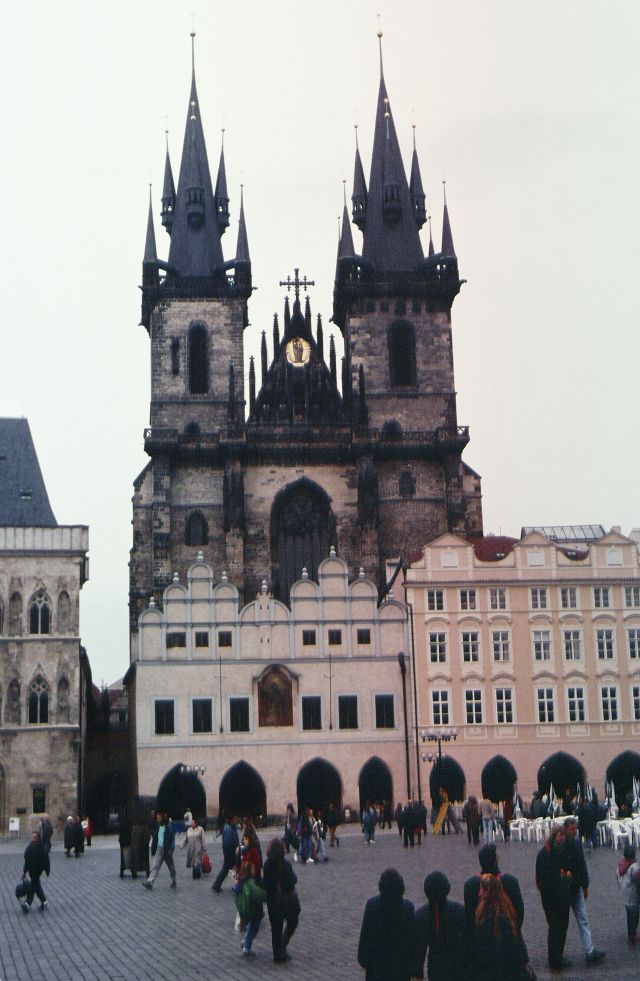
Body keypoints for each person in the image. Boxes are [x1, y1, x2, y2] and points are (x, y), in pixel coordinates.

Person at [464, 843, 535, 978]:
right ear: (495, 860)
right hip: (509, 944)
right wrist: (513, 930)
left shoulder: (471, 884)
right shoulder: (510, 881)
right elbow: (519, 912)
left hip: (481, 947)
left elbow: (469, 918)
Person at [473, 872, 534, 979]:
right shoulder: (506, 910)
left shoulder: (495, 917)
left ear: (488, 892)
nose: (480, 892)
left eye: (482, 889)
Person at [358, 867, 415, 981]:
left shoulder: (372, 906)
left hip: (376, 970)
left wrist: (367, 963)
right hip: (400, 970)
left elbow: (364, 941)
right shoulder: (408, 907)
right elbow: (412, 943)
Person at [562, 816, 605, 963]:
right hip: (566, 888)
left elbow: (581, 866)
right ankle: (562, 953)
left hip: (574, 887)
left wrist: (585, 885)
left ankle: (589, 950)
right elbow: (581, 865)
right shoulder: (564, 844)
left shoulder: (571, 843)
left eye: (575, 829)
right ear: (566, 828)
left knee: (582, 919)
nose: (575, 832)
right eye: (572, 829)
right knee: (564, 922)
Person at [411, 870, 464, 980]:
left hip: (435, 967)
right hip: (457, 965)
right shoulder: (459, 910)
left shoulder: (421, 915)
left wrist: (417, 974)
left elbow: (419, 952)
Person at [536, 825, 571, 970]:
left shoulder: (561, 850)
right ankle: (554, 960)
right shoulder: (545, 853)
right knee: (555, 927)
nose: (562, 838)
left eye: (563, 835)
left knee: (562, 926)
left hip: (561, 895)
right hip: (551, 897)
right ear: (554, 836)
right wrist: (564, 879)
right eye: (560, 835)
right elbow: (543, 877)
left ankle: (558, 956)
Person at [263, 836, 300, 964]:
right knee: (292, 922)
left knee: (276, 928)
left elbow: (265, 883)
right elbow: (293, 880)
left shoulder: (267, 864)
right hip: (285, 900)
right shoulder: (285, 864)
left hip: (272, 901)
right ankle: (281, 948)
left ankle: (277, 954)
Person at [235, 859, 266, 957]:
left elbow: (237, 898)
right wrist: (266, 894)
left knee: (252, 926)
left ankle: (245, 941)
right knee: (253, 926)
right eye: (252, 869)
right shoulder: (250, 883)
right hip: (252, 910)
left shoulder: (241, 882)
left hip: (245, 910)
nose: (254, 870)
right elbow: (256, 894)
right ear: (249, 871)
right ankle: (246, 947)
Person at [143, 811, 177, 890]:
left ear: (163, 818)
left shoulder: (168, 826)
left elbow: (172, 839)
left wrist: (171, 849)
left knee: (171, 867)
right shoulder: (158, 826)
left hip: (167, 849)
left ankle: (174, 880)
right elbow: (155, 838)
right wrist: (153, 848)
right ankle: (150, 882)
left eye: (159, 818)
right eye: (157, 818)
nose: (157, 819)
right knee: (155, 866)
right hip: (159, 848)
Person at [20, 830, 50, 913]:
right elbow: (27, 860)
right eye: (32, 837)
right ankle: (44, 901)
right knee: (37, 886)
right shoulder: (30, 847)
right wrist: (24, 871)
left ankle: (28, 904)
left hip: (37, 870)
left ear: (38, 838)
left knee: (33, 886)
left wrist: (46, 870)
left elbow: (46, 860)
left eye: (34, 837)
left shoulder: (41, 847)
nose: (33, 838)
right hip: (32, 870)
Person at [617, 843, 640, 944]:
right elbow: (638, 878)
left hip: (625, 895)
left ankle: (632, 933)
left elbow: (617, 877)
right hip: (633, 896)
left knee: (630, 917)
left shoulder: (620, 865)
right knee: (634, 917)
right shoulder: (634, 867)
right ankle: (632, 935)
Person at [211, 814, 239, 893]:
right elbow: (228, 844)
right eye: (236, 819)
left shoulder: (229, 828)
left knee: (225, 869)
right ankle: (237, 885)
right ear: (233, 819)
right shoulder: (229, 829)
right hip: (231, 854)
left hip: (229, 854)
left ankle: (216, 885)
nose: (237, 821)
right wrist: (234, 853)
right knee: (236, 869)